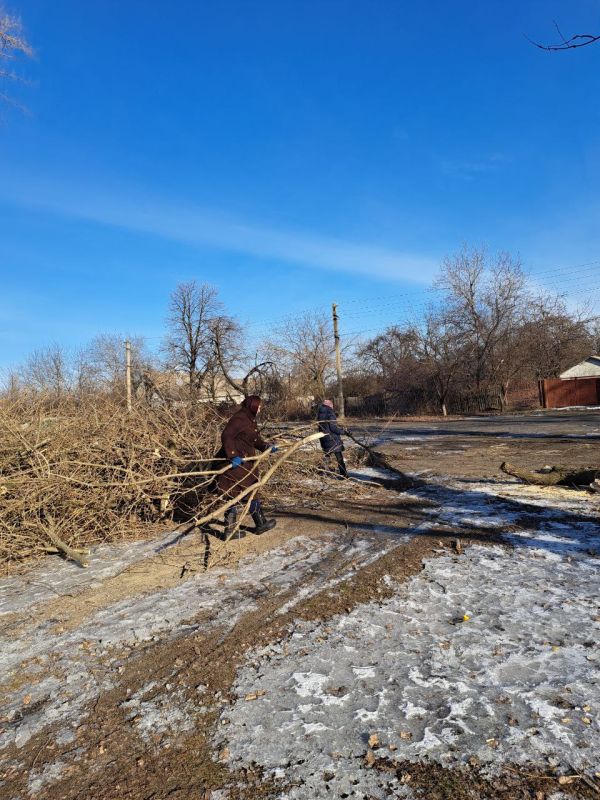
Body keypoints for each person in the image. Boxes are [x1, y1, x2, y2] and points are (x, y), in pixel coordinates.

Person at [216, 395, 278, 539]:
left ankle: (258, 524)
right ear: (253, 405)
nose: (261, 408)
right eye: (259, 405)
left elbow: (254, 439)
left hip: (245, 464)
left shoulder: (250, 419)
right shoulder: (240, 418)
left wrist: (266, 447)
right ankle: (232, 530)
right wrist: (232, 455)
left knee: (249, 491)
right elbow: (227, 435)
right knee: (236, 494)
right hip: (235, 465)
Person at [317, 399, 348, 478]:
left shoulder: (320, 413)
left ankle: (324, 474)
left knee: (327, 455)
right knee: (339, 457)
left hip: (324, 438)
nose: (332, 407)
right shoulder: (330, 412)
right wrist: (343, 432)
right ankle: (344, 475)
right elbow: (333, 428)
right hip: (333, 439)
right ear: (330, 405)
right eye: (332, 405)